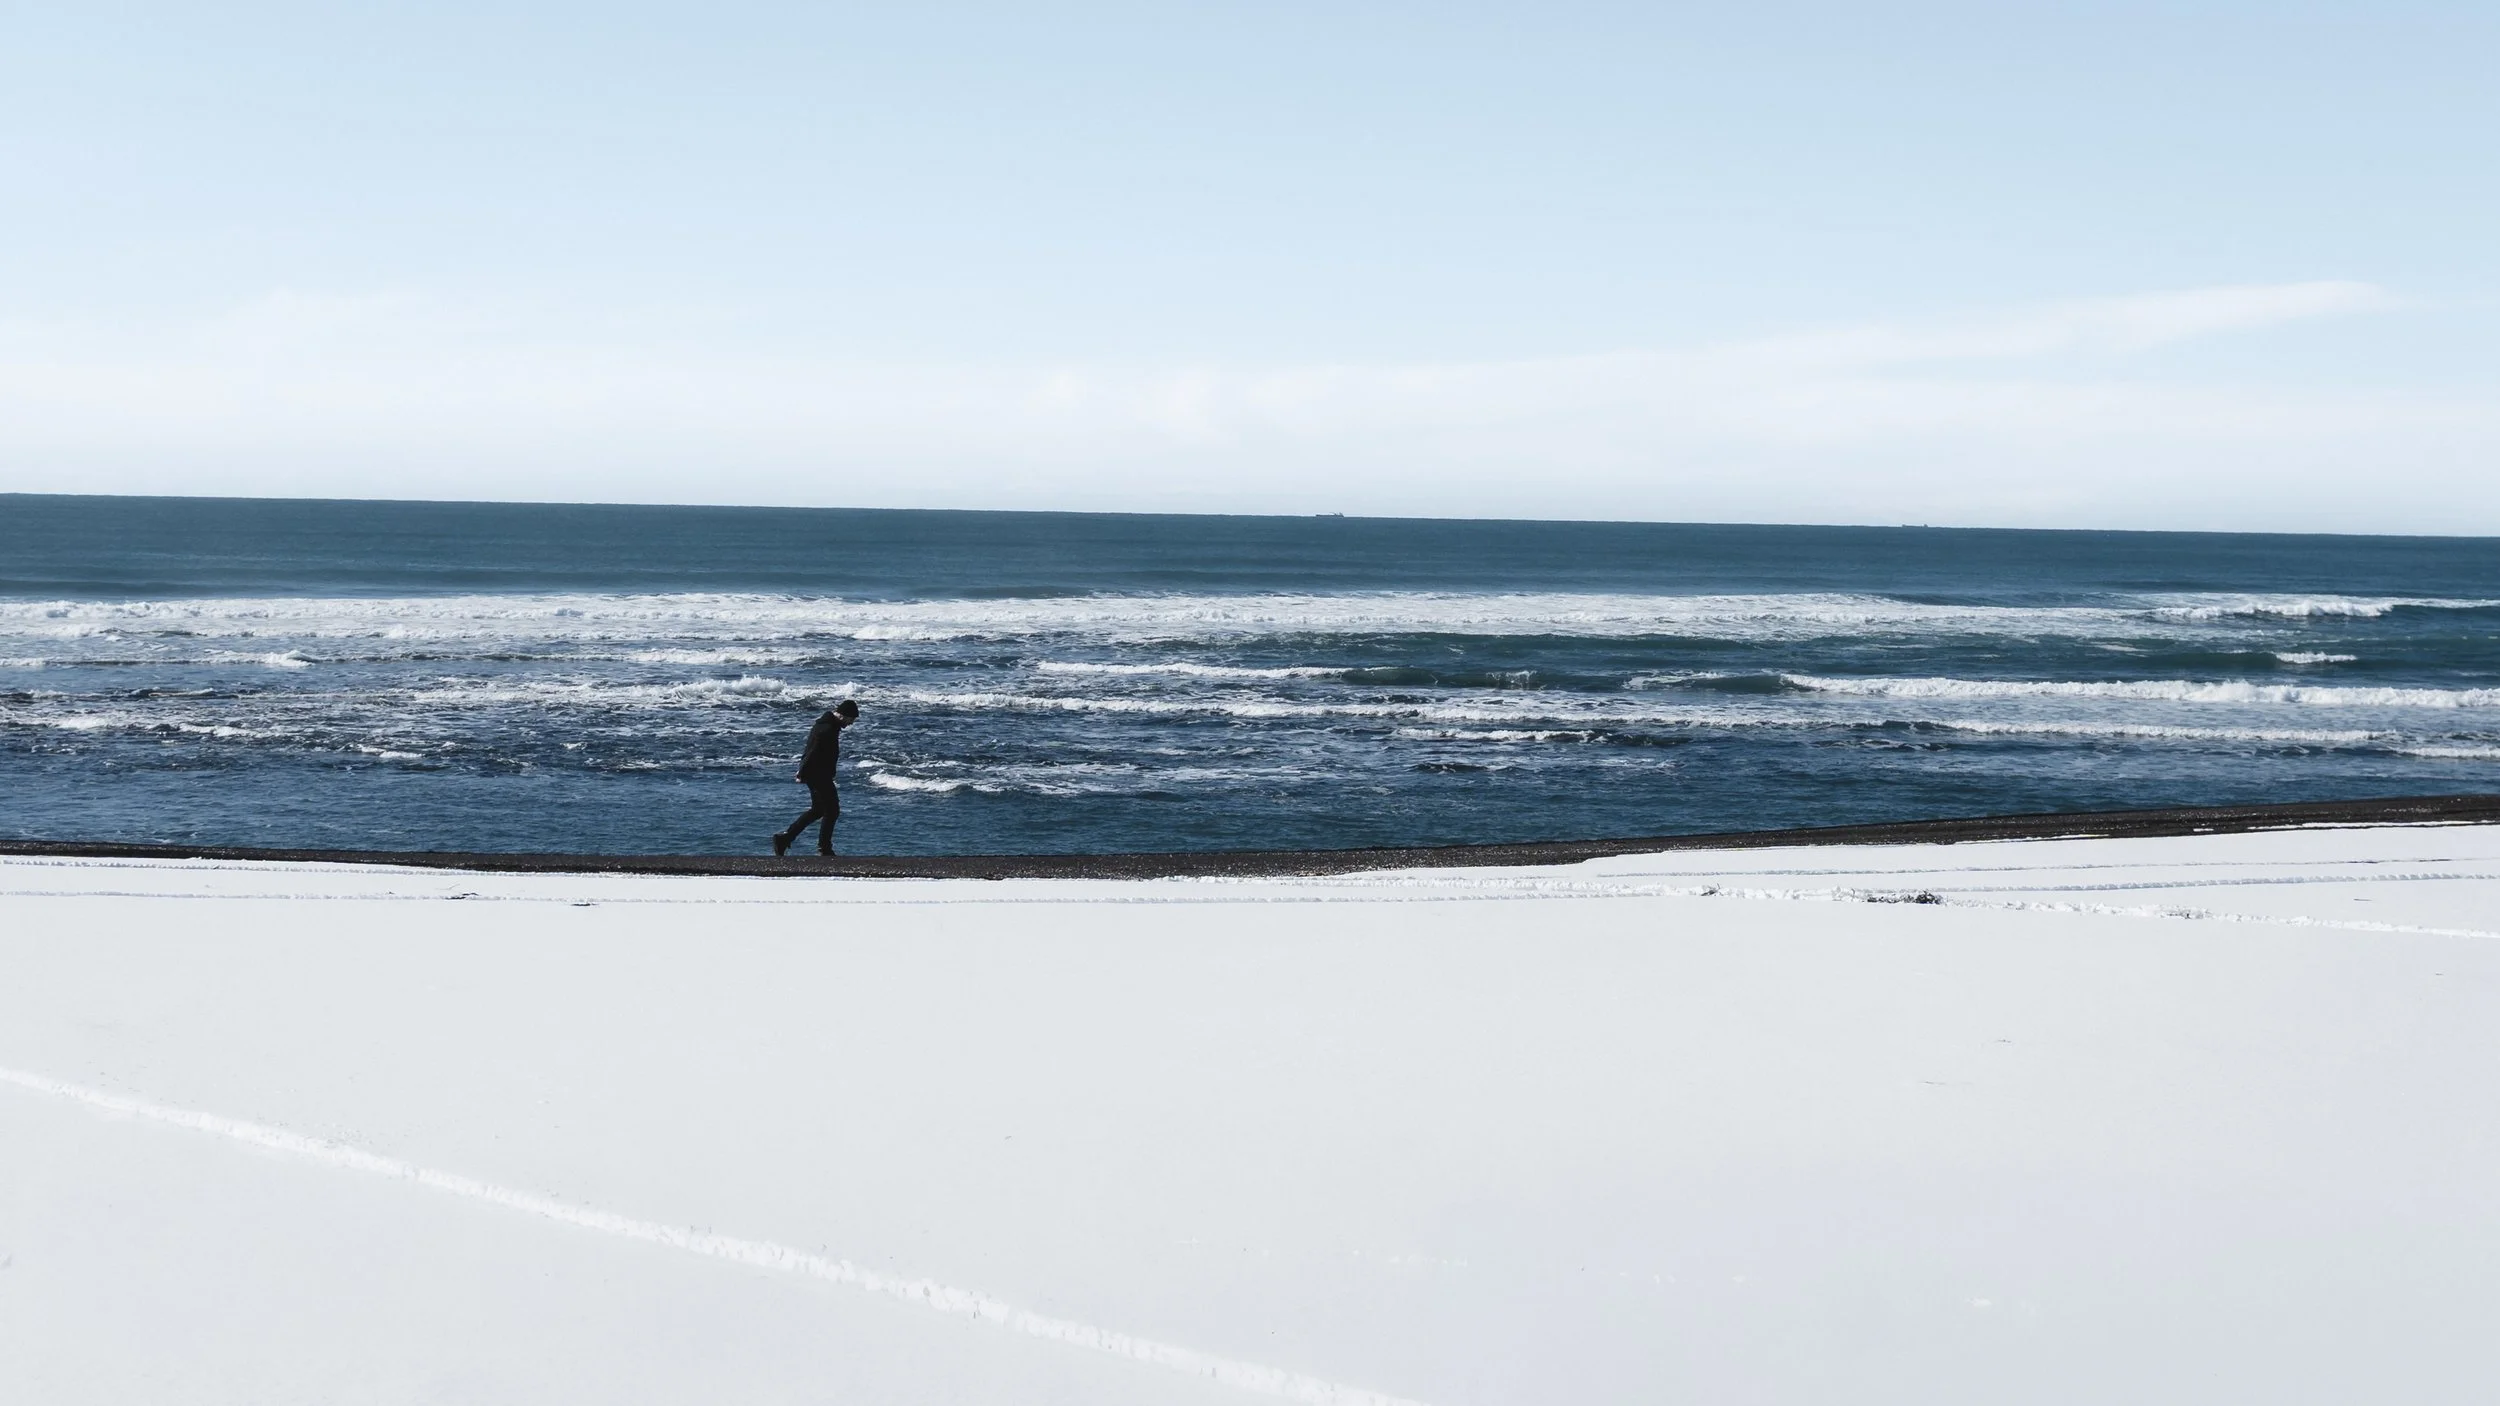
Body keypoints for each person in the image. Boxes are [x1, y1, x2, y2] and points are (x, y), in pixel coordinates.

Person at [773, 699, 858, 856]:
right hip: (818, 775)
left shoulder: (826, 725)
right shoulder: (827, 729)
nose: (851, 723)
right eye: (851, 719)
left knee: (818, 810)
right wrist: (802, 772)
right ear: (843, 715)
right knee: (832, 810)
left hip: (818, 774)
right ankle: (824, 848)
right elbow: (813, 751)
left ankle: (785, 839)